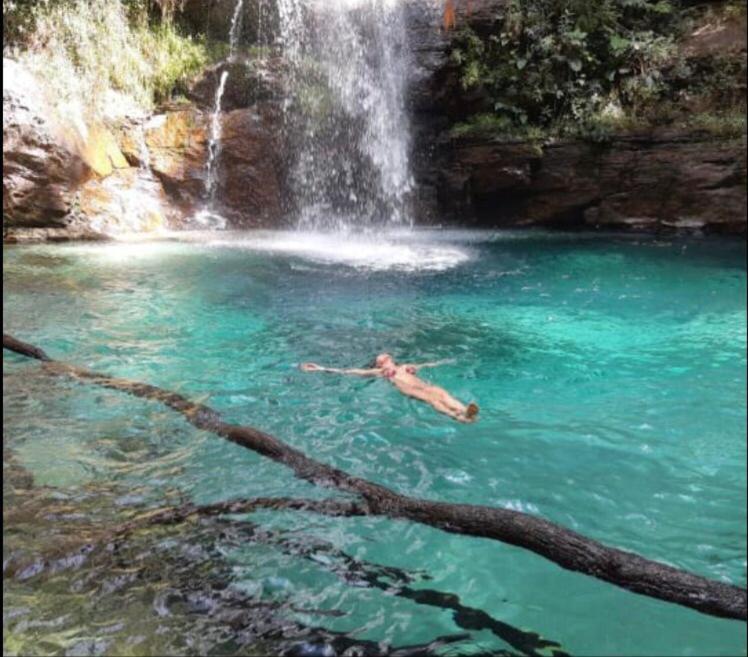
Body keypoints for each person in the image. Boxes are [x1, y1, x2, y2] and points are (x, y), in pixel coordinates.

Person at [300, 353, 479, 423]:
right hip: (408, 389)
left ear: (391, 358)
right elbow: (352, 372)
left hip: (421, 384)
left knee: (440, 391)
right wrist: (322, 368)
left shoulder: (406, 366)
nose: (382, 358)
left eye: (384, 357)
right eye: (380, 359)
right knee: (432, 399)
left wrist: (447, 360)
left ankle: (465, 410)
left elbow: (426, 365)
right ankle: (457, 416)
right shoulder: (380, 372)